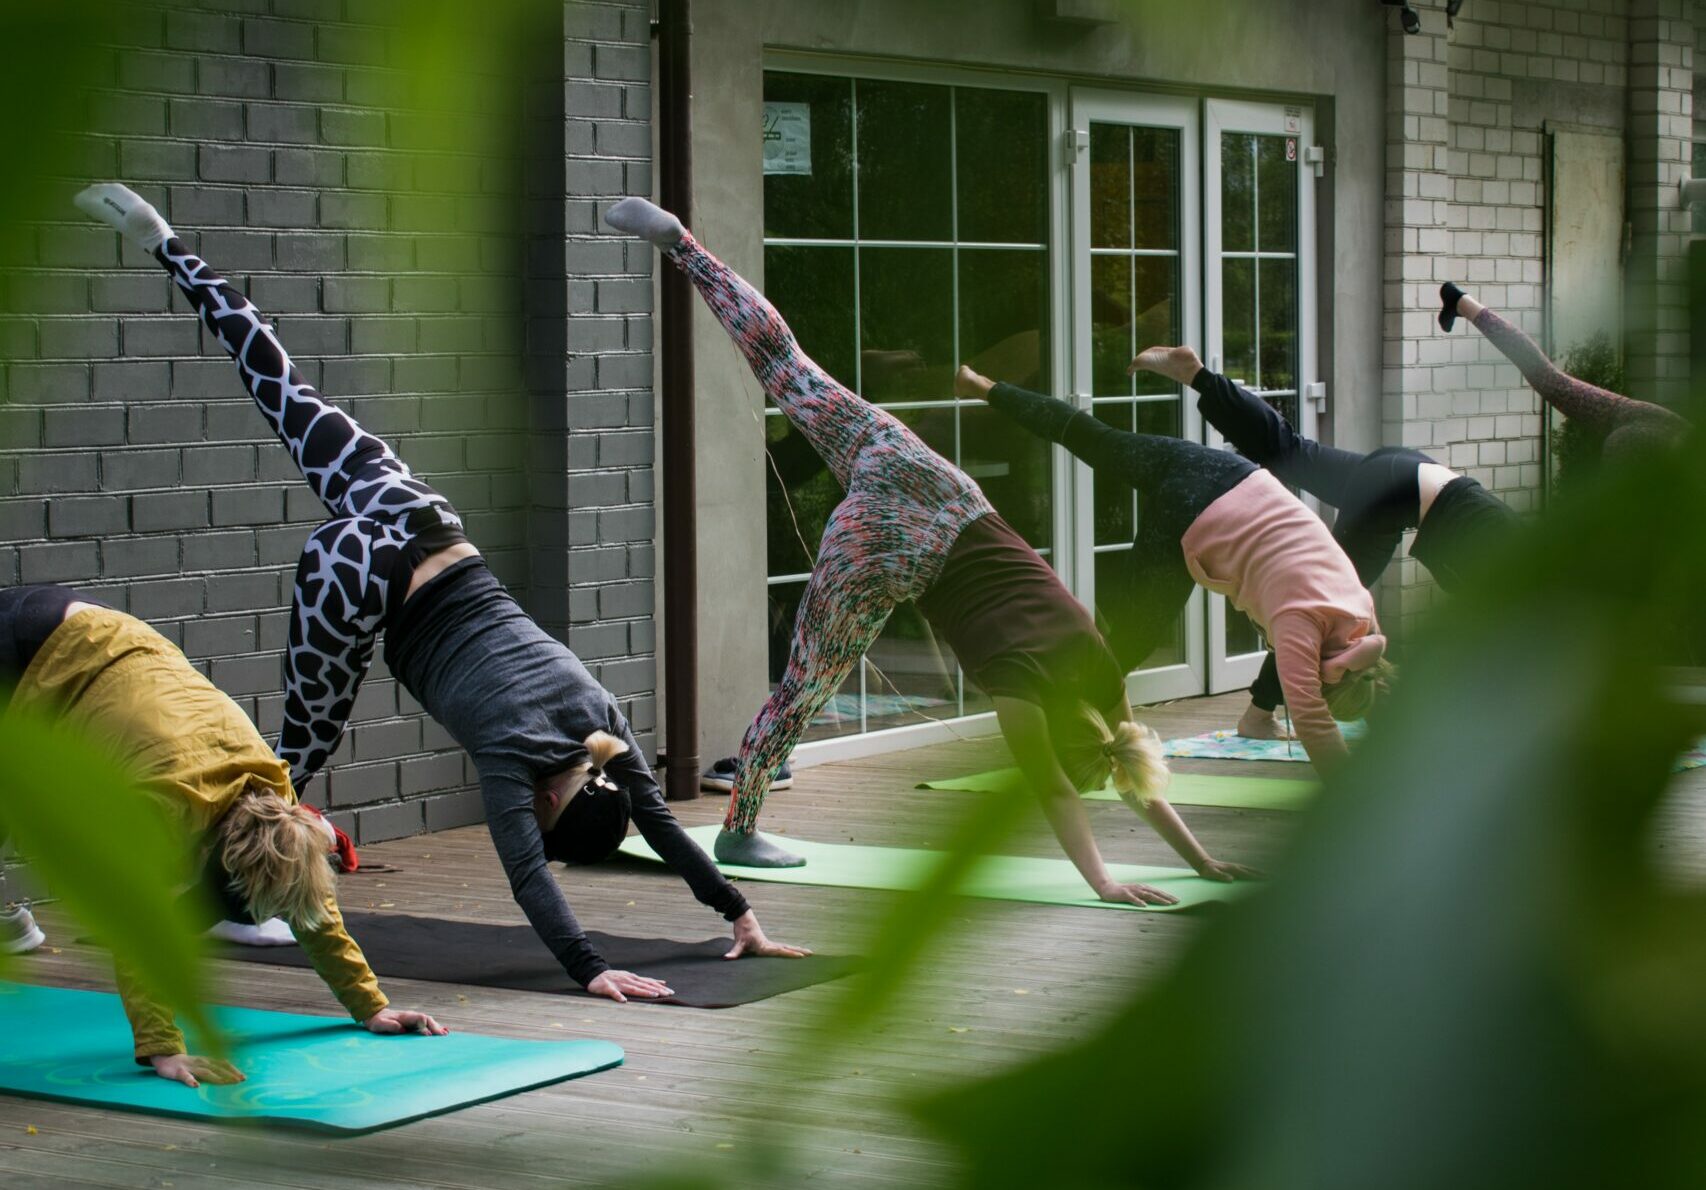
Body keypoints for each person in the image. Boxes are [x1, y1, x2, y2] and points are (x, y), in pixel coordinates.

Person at [74, 184, 806, 1003]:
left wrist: (737, 912)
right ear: (550, 805)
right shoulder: (512, 762)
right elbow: (531, 881)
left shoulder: (604, 722)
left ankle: (171, 246)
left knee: (283, 385)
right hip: (360, 579)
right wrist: (590, 968)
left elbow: (664, 829)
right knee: (290, 765)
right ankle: (227, 897)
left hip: (425, 524)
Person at [606, 196, 1258, 900]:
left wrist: (1202, 863)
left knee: (786, 365)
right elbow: (1062, 795)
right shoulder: (1022, 697)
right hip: (889, 550)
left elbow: (1130, 766)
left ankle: (684, 248)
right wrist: (1104, 882)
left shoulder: (1103, 675)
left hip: (928, 479)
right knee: (801, 690)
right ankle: (739, 826)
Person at [0, 584, 446, 1087]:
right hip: (26, 652)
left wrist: (371, 1006)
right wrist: (163, 1049)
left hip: (98, 632)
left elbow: (315, 913)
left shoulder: (275, 802)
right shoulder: (164, 807)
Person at [952, 364, 1394, 777]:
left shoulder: (1360, 611)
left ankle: (983, 386)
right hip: (1194, 513)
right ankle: (1063, 731)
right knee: (1132, 639)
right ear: (1329, 683)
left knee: (1093, 437)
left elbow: (1372, 679)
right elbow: (1312, 719)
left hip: (1227, 472)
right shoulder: (1302, 624)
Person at [1127, 344, 1517, 741]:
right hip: (1393, 497)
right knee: (1314, 603)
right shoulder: (1519, 580)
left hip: (1408, 472)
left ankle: (1198, 377)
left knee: (1290, 452)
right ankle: (1260, 714)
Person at [1440, 282, 1689, 461]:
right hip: (1639, 438)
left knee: (1548, 378)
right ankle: (1462, 304)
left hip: (1641, 418)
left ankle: (1463, 303)